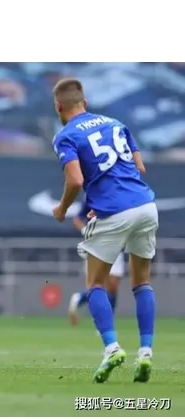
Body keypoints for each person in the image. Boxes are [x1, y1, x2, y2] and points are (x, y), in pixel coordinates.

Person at [51, 78, 157, 384]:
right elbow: (139, 168)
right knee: (142, 282)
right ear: (84, 102)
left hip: (113, 212)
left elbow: (75, 180)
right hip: (145, 205)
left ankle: (111, 348)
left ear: (59, 107)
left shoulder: (66, 136)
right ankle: (146, 352)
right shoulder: (116, 124)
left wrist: (62, 208)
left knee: (95, 284)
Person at [67, 196, 125, 326]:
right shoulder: (92, 198)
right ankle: (81, 300)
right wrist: (85, 231)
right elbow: (77, 219)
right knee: (98, 286)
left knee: (113, 285)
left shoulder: (121, 197)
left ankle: (106, 320)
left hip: (115, 244)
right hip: (96, 245)